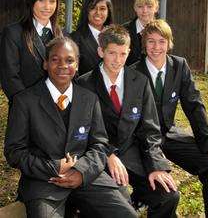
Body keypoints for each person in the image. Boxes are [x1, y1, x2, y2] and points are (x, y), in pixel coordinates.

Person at [4, 36, 137, 218]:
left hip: (87, 179)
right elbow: (14, 152)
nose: (62, 66)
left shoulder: (89, 99)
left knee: (126, 215)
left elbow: (99, 145)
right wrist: (53, 167)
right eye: (55, 59)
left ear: (77, 64)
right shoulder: (24, 101)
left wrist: (81, 172)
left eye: (69, 60)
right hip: (44, 182)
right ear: (45, 64)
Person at [78, 25, 179, 218]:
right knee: (120, 206)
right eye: (112, 53)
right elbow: (83, 131)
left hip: (135, 156)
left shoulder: (140, 81)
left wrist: (156, 167)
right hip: (101, 159)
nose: (117, 60)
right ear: (101, 51)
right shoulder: (84, 84)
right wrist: (108, 154)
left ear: (129, 52)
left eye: (123, 54)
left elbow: (150, 130)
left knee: (168, 195)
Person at [133, 19, 208, 218]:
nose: (156, 47)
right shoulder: (133, 73)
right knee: (166, 193)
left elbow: (194, 106)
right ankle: (141, 198)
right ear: (144, 43)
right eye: (151, 41)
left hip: (170, 135)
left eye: (161, 41)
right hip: (142, 141)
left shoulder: (179, 66)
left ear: (169, 43)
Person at [0, 0, 62, 104]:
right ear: (31, 0)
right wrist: (33, 107)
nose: (47, 6)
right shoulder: (13, 33)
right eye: (41, 0)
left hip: (59, 113)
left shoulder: (64, 37)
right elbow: (10, 79)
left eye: (52, 1)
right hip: (26, 113)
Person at [70, 0, 114, 76]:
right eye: (93, 8)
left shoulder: (116, 36)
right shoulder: (74, 39)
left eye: (102, 9)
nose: (98, 12)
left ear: (108, 12)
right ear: (86, 11)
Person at [124, 0, 158, 65]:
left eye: (149, 6)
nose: (145, 10)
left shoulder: (163, 31)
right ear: (135, 8)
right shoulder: (124, 31)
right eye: (140, 6)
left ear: (156, 8)